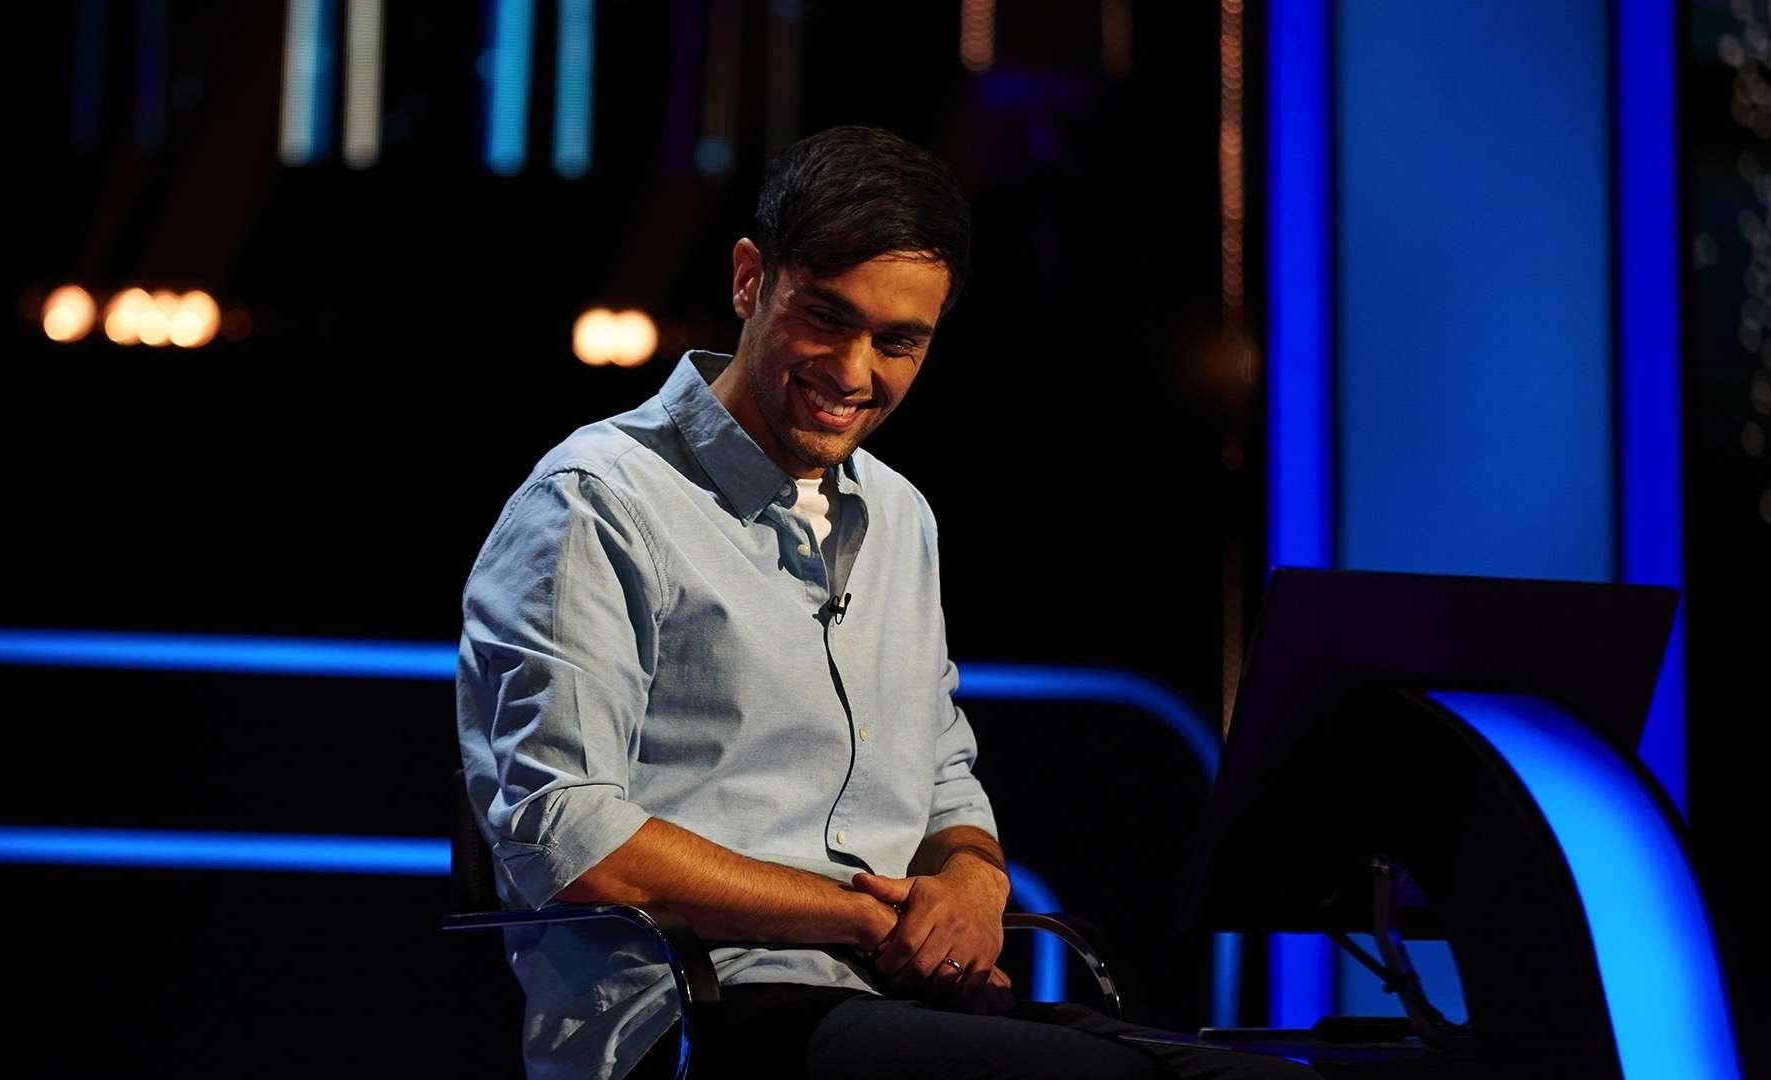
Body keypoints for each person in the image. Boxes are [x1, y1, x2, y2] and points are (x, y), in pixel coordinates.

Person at [457, 125, 1313, 1080]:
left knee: (1262, 1078)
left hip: (892, 1005)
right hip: (694, 1017)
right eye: (827, 317)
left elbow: (943, 777)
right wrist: (864, 919)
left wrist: (975, 882)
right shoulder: (595, 500)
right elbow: (570, 835)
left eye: (898, 342)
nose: (854, 372)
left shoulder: (901, 515)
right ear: (750, 280)